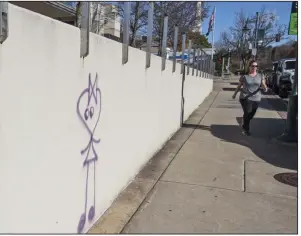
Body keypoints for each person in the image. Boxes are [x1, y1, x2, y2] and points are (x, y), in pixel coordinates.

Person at [232, 60, 268, 135]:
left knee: (251, 114)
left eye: (256, 66)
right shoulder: (245, 76)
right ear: (249, 67)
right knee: (247, 112)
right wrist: (235, 94)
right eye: (253, 66)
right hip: (245, 97)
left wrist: (265, 87)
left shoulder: (260, 75)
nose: (254, 67)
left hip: (256, 98)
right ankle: (246, 130)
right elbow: (239, 86)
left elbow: (263, 84)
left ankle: (244, 121)